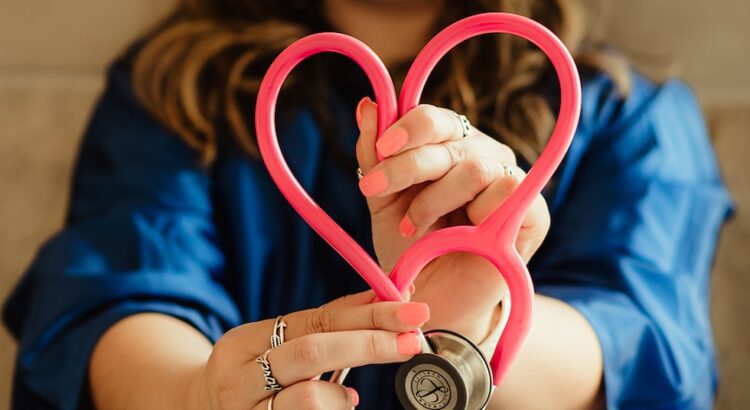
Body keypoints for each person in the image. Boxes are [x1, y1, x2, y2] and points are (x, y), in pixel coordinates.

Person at [2, 0, 733, 409]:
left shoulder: (629, 118)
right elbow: (115, 297)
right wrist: (199, 396)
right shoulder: (169, 93)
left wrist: (473, 328)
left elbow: (644, 342)